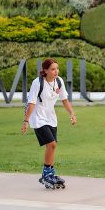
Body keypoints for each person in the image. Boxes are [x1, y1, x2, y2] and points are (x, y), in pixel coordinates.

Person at [22, 58, 77, 189]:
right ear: (45, 70)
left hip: (51, 118)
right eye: (52, 69)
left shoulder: (59, 81)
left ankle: (50, 173)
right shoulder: (38, 83)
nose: (56, 71)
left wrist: (72, 113)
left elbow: (64, 99)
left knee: (53, 146)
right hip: (37, 118)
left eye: (57, 68)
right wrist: (25, 121)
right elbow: (31, 103)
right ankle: (46, 173)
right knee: (51, 144)